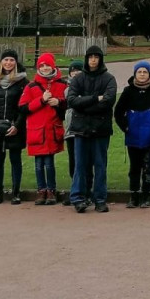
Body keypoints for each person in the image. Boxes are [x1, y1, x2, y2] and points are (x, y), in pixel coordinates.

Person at [66, 45, 117, 213]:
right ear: (87, 59)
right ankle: (78, 198)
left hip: (100, 128)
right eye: (90, 57)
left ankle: (100, 199)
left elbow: (108, 102)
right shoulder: (78, 79)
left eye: (96, 57)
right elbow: (72, 101)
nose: (93, 60)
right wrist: (95, 98)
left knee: (100, 165)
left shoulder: (109, 78)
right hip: (81, 128)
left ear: (100, 59)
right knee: (80, 165)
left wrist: (85, 103)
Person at [20, 52, 68, 206]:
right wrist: (41, 100)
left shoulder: (61, 84)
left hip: (52, 129)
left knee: (49, 163)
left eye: (47, 65)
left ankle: (51, 189)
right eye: (42, 65)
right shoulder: (31, 86)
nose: (45, 68)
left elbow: (68, 106)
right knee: (39, 164)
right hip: (37, 130)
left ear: (53, 66)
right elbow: (23, 107)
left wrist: (58, 102)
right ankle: (41, 189)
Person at [113, 60, 150, 208]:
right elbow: (118, 112)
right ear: (135, 74)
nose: (142, 74)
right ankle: (133, 195)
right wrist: (125, 127)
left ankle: (146, 194)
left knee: (147, 165)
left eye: (145, 72)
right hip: (133, 132)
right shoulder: (128, 91)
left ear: (149, 74)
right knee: (134, 166)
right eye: (139, 72)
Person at [0, 50, 28, 205]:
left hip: (14, 126)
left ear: (16, 62)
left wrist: (17, 125)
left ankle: (16, 193)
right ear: (1, 62)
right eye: (6, 60)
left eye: (11, 60)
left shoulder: (23, 82)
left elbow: (24, 107)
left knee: (15, 159)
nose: (8, 63)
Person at [62, 59, 87, 205]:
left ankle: (84, 191)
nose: (76, 73)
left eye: (79, 70)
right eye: (73, 70)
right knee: (73, 162)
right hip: (70, 129)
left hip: (83, 129)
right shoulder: (67, 88)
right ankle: (75, 190)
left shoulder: (85, 86)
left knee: (83, 162)